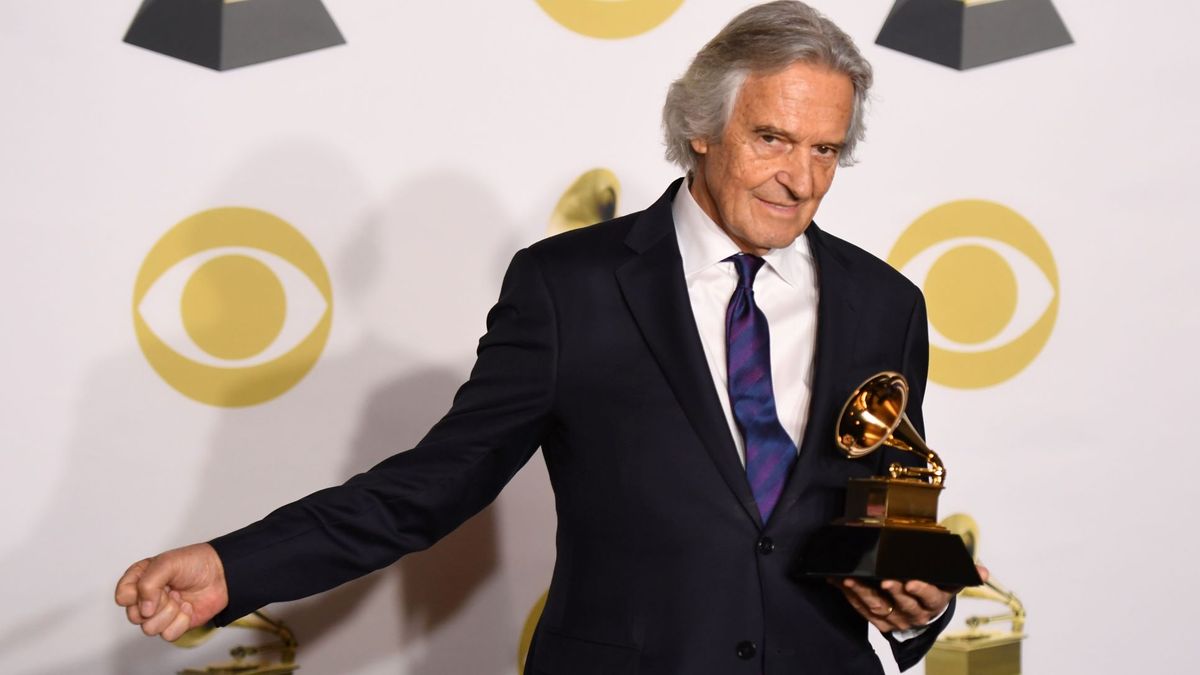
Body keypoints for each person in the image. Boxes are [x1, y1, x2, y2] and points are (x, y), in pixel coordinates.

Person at [116, 2, 984, 673]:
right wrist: (239, 567)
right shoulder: (569, 287)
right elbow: (435, 483)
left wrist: (923, 605)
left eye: (827, 150)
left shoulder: (886, 302)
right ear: (700, 128)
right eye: (773, 139)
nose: (800, 180)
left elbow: (886, 505)